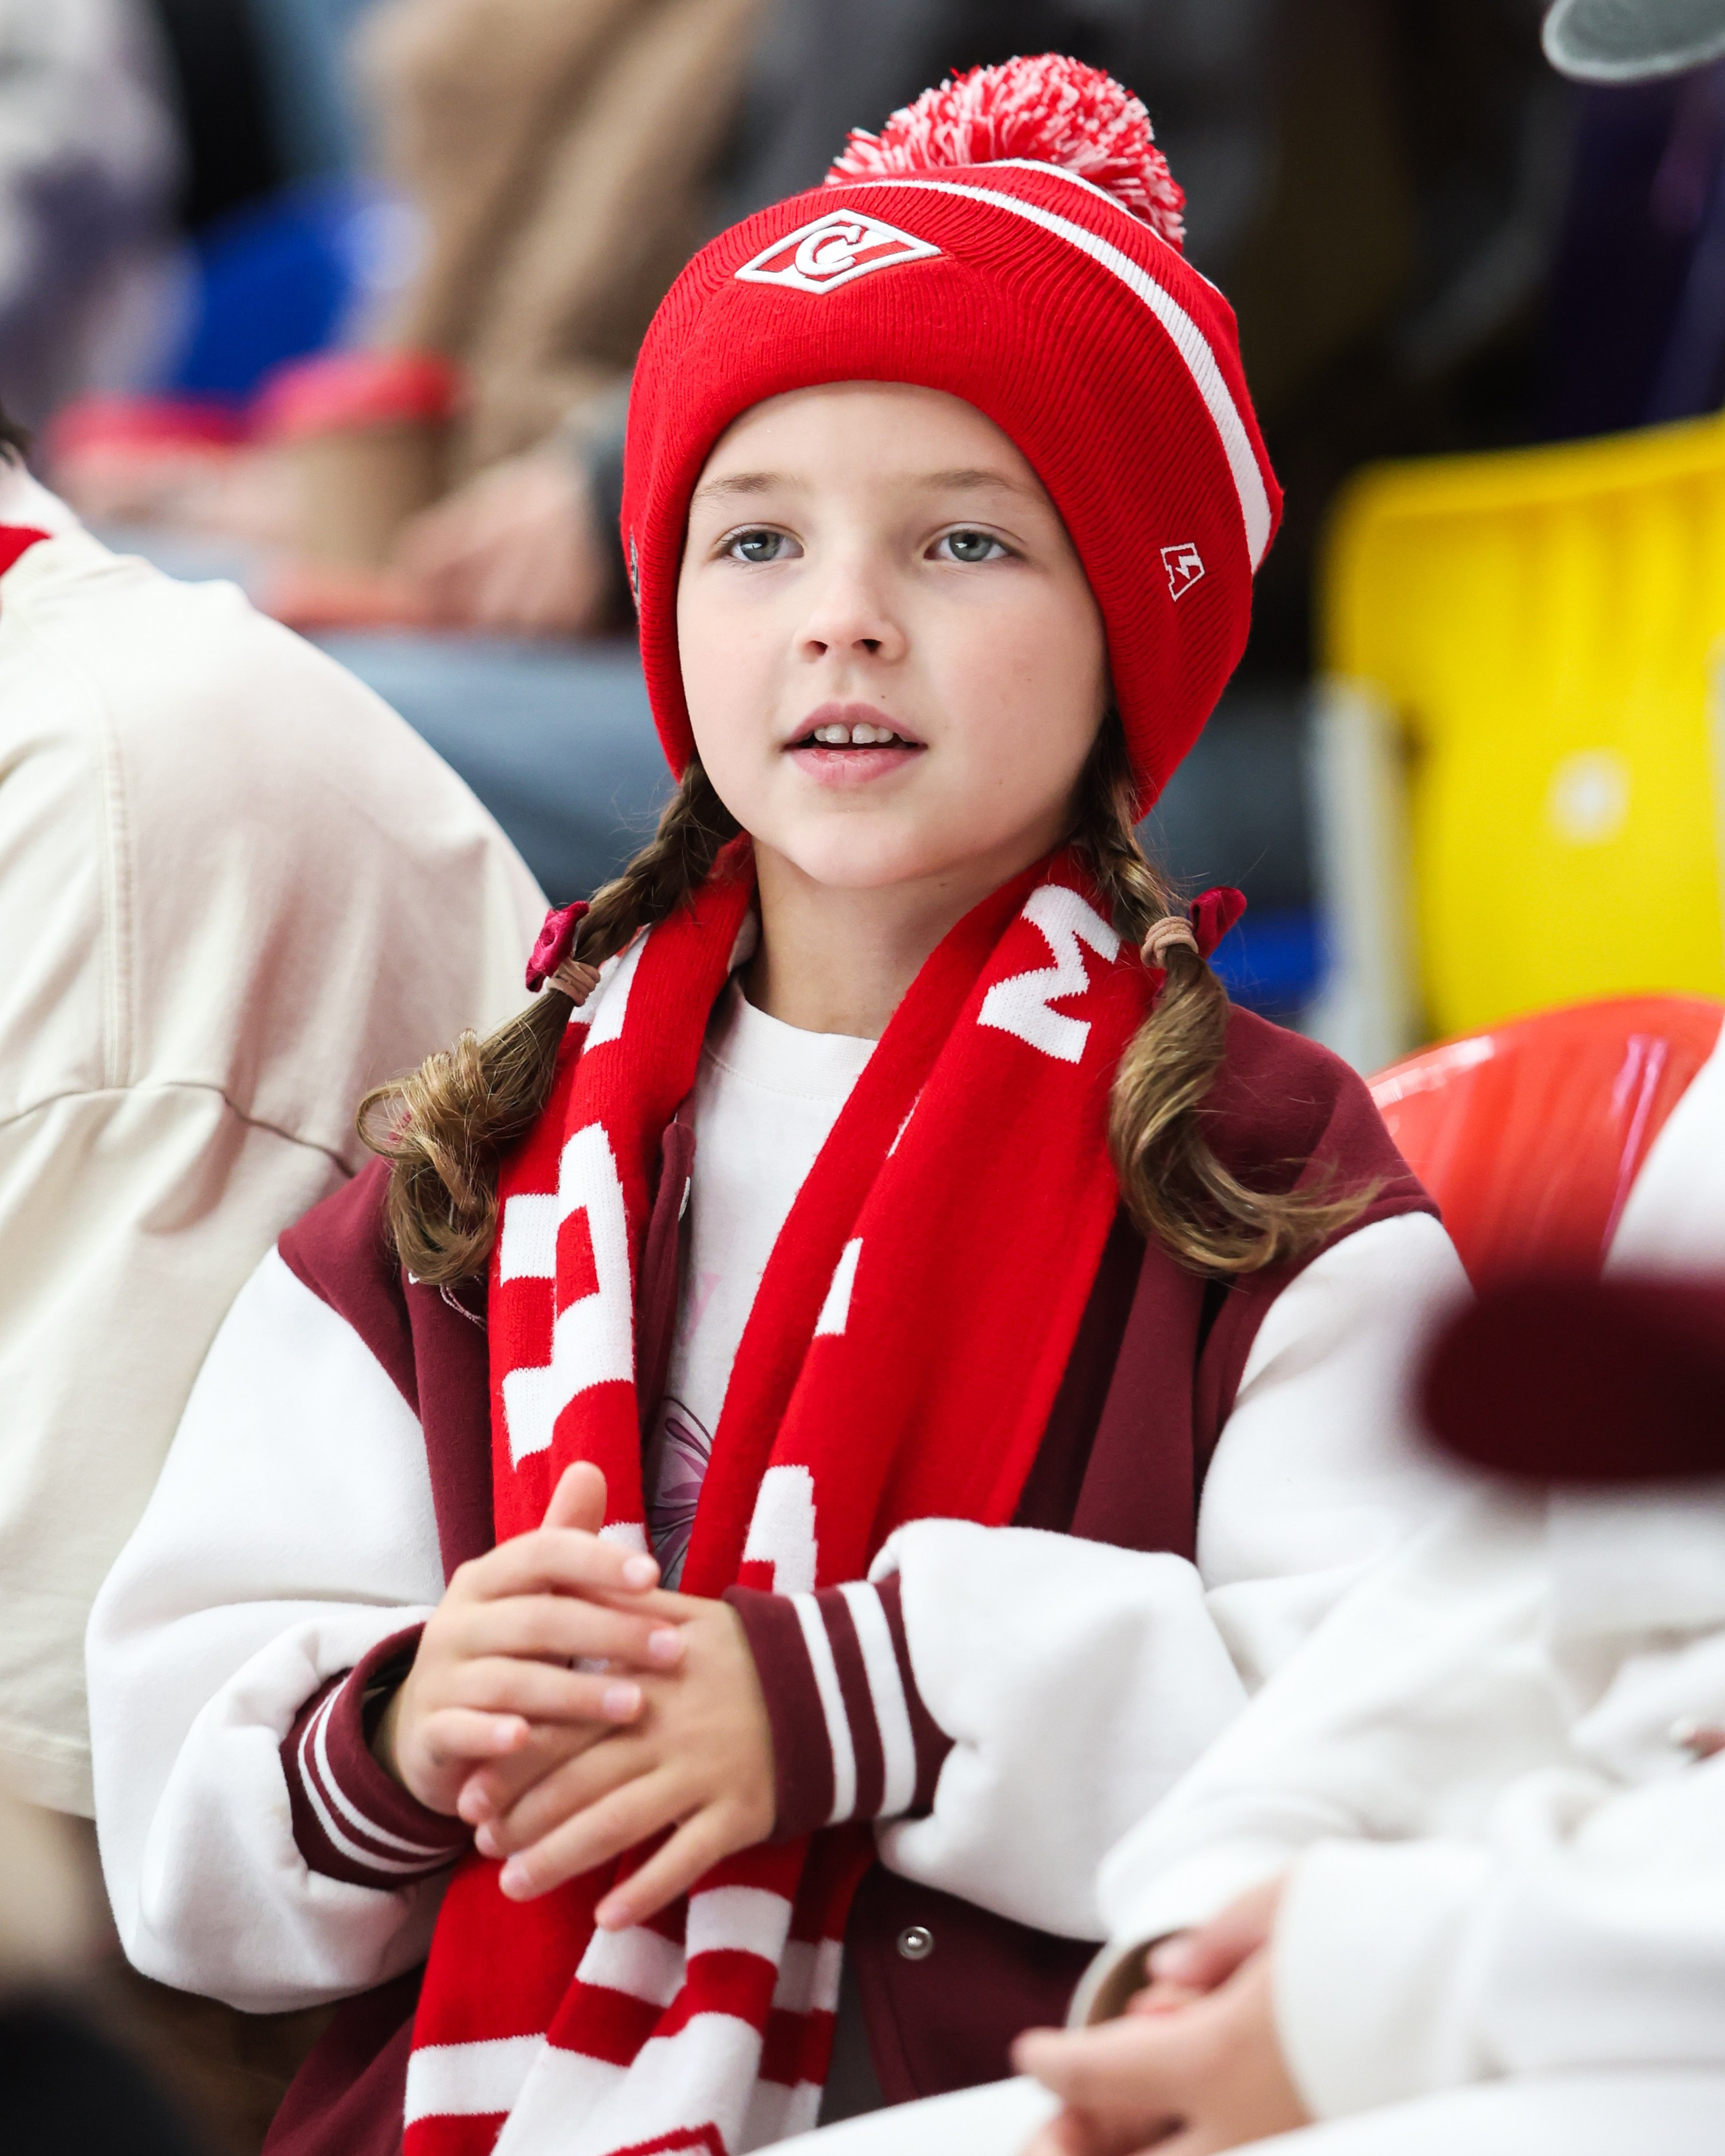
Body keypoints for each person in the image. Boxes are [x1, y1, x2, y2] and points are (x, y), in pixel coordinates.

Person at [87, 57, 1468, 2156]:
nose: (843, 610)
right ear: (666, 616)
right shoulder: (475, 1165)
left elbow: (1412, 1743)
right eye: (755, 538)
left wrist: (856, 1702)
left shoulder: (1257, 1178)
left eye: (968, 540)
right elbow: (196, 1816)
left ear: (1135, 631)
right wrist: (397, 1723)